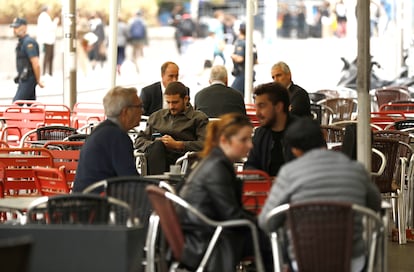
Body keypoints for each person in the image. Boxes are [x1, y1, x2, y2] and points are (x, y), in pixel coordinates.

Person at [258, 118, 381, 272]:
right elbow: (375, 204)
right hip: (351, 263)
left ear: (294, 150)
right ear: (323, 138)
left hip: (302, 263)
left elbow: (266, 221)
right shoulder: (356, 169)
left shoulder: (289, 173)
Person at [177, 113, 258, 271]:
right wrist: (262, 221)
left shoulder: (212, 162)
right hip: (209, 239)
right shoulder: (217, 168)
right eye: (244, 140)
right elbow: (231, 215)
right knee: (274, 239)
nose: (250, 145)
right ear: (224, 141)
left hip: (199, 235)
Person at [72, 86, 142, 192]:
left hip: (83, 199)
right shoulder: (117, 137)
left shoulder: (101, 131)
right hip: (97, 204)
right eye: (139, 106)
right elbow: (131, 181)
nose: (143, 111)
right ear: (126, 112)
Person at [135, 81, 208, 175]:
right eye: (168, 102)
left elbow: (205, 144)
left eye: (175, 102)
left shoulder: (198, 118)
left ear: (185, 99)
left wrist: (179, 145)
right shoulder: (157, 117)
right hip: (157, 157)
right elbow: (139, 140)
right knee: (157, 146)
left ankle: (157, 183)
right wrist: (154, 144)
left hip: (184, 159)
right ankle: (158, 181)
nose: (171, 107)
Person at [244, 82, 297, 177]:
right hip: (266, 189)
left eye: (262, 106)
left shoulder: (304, 132)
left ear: (278, 107)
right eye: (256, 107)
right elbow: (250, 164)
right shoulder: (260, 133)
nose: (257, 113)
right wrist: (257, 176)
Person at [10, 17, 44, 102]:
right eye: (14, 28)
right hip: (25, 78)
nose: (15, 30)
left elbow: (35, 63)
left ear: (24, 27)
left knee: (15, 106)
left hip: (28, 78)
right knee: (32, 106)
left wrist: (38, 79)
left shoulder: (28, 42)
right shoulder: (22, 42)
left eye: (17, 27)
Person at [231, 23, 258, 97]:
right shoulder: (252, 44)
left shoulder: (241, 43)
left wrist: (232, 56)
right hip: (250, 72)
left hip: (242, 73)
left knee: (233, 94)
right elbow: (256, 61)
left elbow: (240, 59)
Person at [36, 5, 58, 76]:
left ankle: (48, 72)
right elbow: (51, 27)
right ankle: (46, 72)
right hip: (47, 40)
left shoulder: (43, 16)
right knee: (48, 56)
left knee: (49, 56)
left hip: (48, 39)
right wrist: (55, 22)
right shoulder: (44, 17)